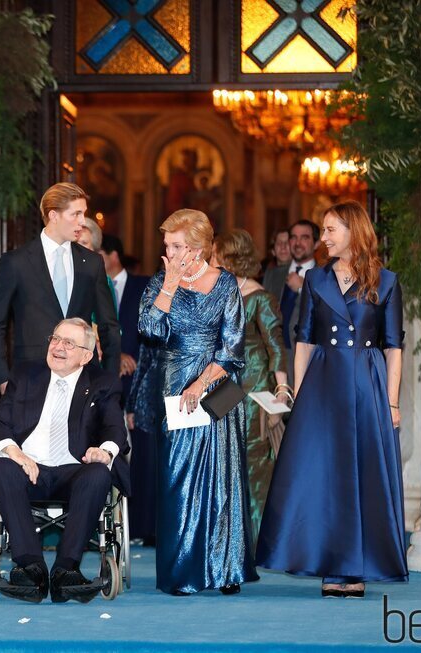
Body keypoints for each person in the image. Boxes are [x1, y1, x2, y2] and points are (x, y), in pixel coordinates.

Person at [257, 200, 407, 599]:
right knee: (323, 475)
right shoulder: (316, 281)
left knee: (360, 474)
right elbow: (303, 339)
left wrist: (392, 402)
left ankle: (355, 568)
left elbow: (394, 347)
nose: (322, 238)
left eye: (329, 230)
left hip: (366, 383)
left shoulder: (387, 282)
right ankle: (329, 562)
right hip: (322, 386)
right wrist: (301, 396)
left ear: (353, 231)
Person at [138, 209, 257, 595]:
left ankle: (224, 569)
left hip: (218, 384)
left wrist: (201, 385)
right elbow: (150, 331)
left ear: (198, 248)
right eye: (167, 245)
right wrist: (169, 285)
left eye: (177, 246)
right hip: (173, 381)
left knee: (222, 474)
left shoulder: (225, 285)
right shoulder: (160, 281)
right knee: (180, 476)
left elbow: (233, 347)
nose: (168, 252)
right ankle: (182, 570)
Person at [0, 318, 129, 604]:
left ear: (87, 356)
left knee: (99, 474)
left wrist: (106, 451)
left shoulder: (103, 383)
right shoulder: (26, 375)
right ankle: (30, 567)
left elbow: (114, 429)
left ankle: (66, 571)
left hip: (74, 471)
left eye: (69, 343)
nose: (58, 347)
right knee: (1, 467)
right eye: (56, 339)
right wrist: (16, 454)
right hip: (29, 468)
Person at [0, 183, 120, 394]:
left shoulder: (92, 263)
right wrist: (2, 378)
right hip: (30, 379)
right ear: (54, 215)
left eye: (83, 214)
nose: (82, 222)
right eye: (76, 214)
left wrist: (109, 380)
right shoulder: (16, 262)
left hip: (84, 379)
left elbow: (108, 325)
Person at [211, 230, 288, 539]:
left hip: (254, 392)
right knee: (221, 466)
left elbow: (277, 348)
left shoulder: (260, 298)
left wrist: (281, 393)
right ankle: (228, 541)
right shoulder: (217, 294)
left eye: (216, 255)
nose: (211, 260)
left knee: (255, 471)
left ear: (230, 258)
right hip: (222, 391)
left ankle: (256, 543)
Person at [99, 233, 154, 541]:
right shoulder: (92, 284)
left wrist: (131, 357)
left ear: (114, 255)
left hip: (138, 377)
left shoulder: (143, 284)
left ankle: (141, 522)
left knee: (142, 454)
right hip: (105, 375)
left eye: (100, 254)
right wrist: (113, 355)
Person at [263, 219, 319, 383]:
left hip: (308, 359)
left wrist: (303, 288)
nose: (298, 243)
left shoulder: (325, 277)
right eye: (293, 237)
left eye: (305, 237)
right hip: (275, 358)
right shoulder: (274, 274)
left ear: (316, 244)